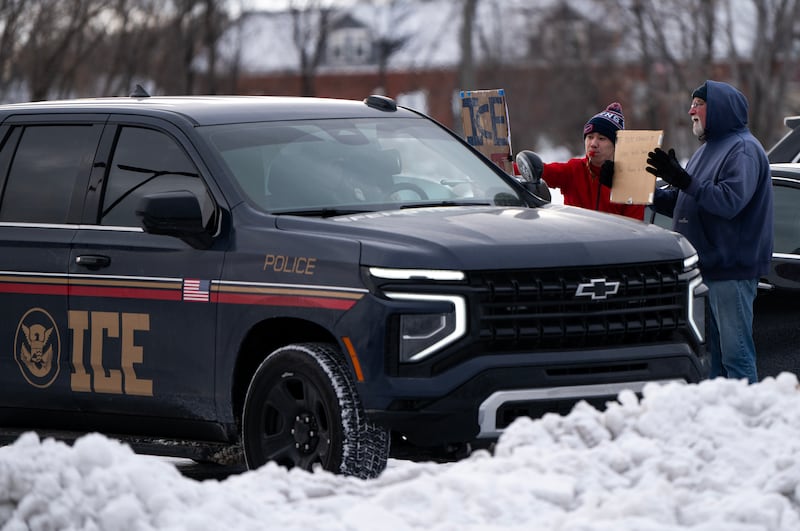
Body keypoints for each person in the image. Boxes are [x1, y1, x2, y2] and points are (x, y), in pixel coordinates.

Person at [647, 80, 774, 384]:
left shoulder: (742, 149)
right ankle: (720, 422)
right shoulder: (707, 151)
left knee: (735, 354)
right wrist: (642, 191)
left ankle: (749, 420)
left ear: (719, 109)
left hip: (730, 270)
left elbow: (729, 202)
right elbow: (685, 203)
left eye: (699, 104)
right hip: (705, 270)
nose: (690, 110)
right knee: (711, 360)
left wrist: (682, 179)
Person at [539, 102, 645, 220]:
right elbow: (539, 171)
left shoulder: (630, 181)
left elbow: (635, 230)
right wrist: (519, 167)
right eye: (590, 137)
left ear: (616, 145)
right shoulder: (574, 169)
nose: (593, 144)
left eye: (601, 138)